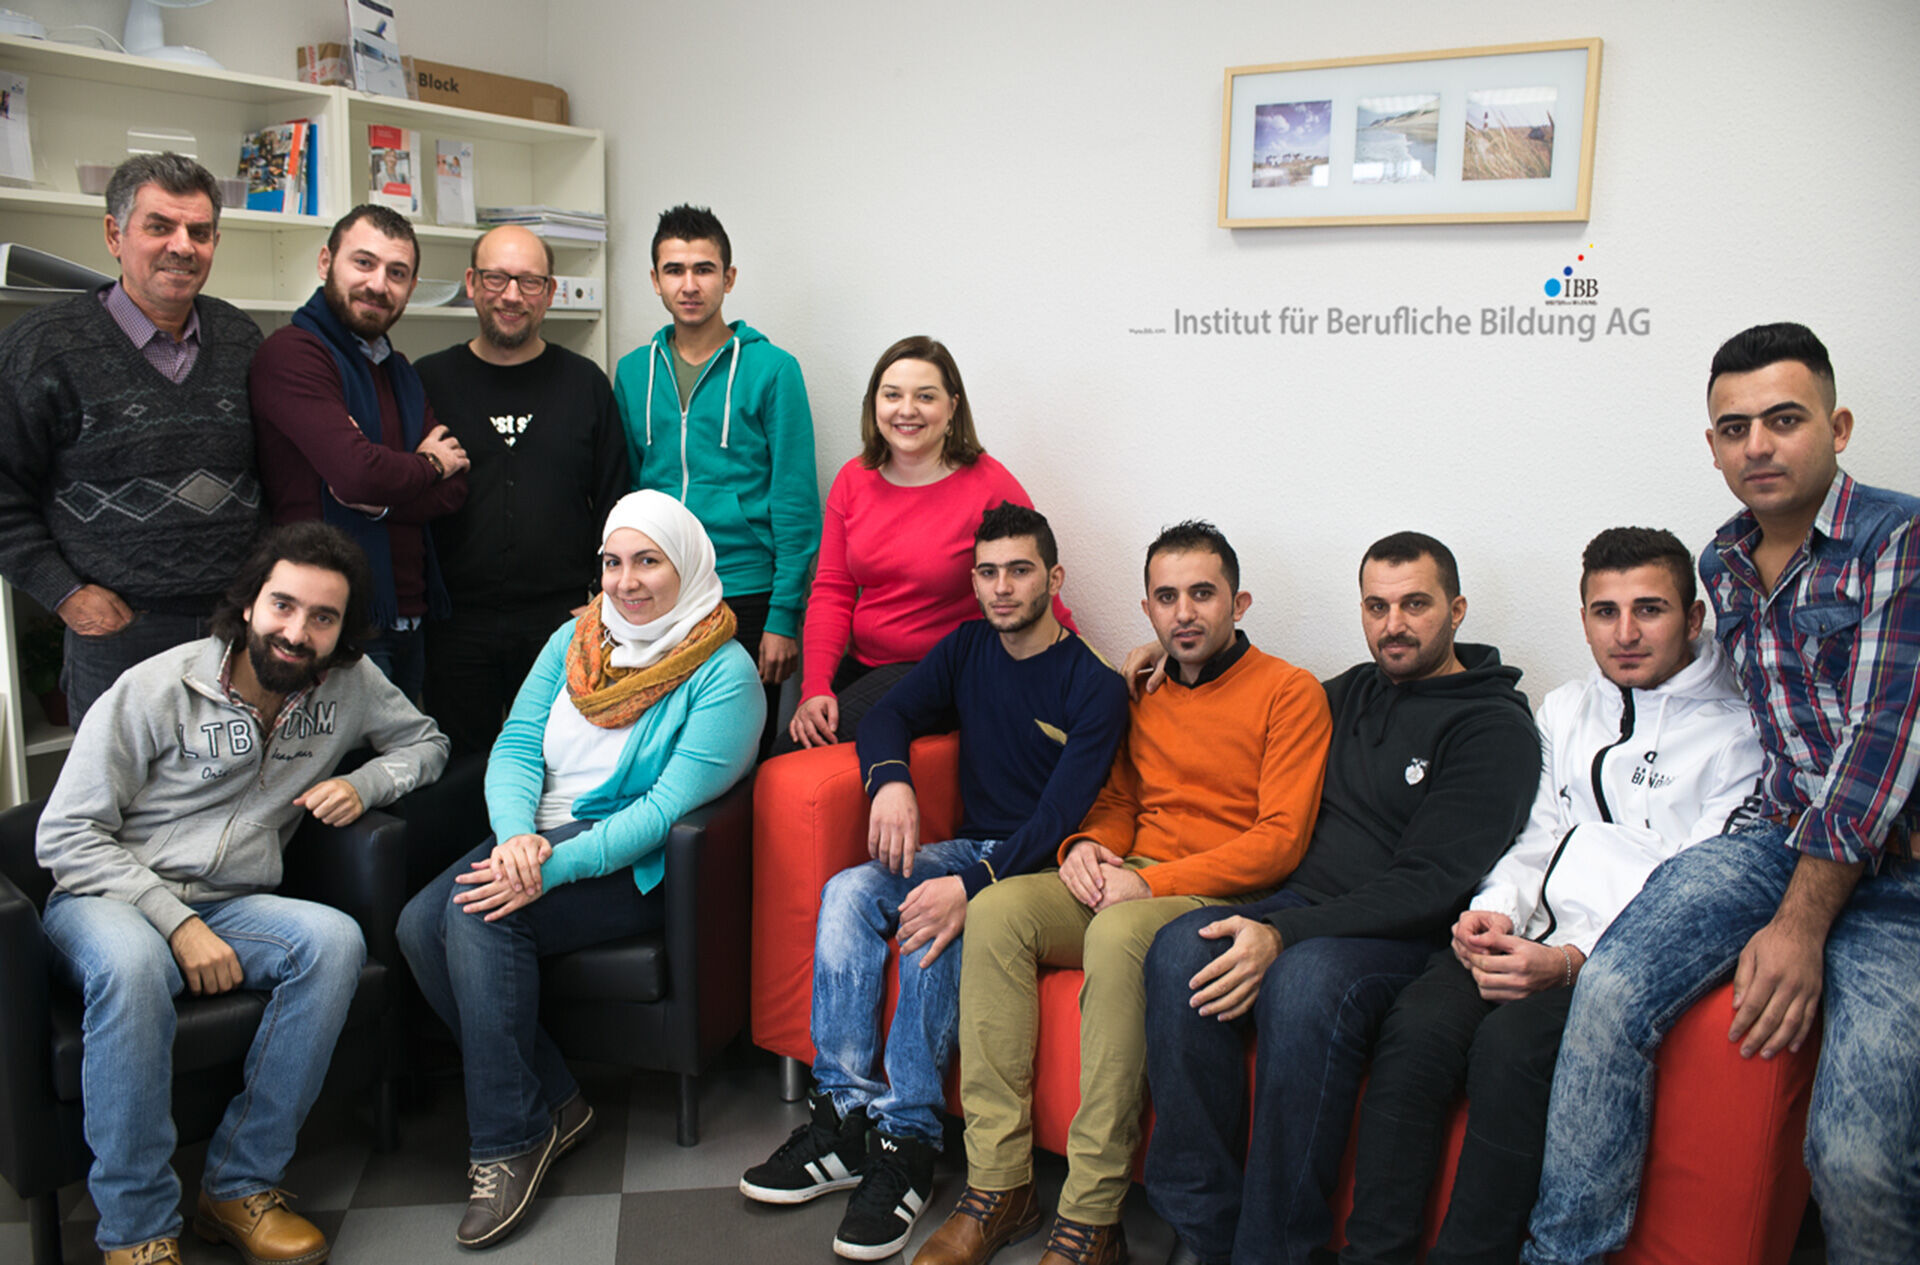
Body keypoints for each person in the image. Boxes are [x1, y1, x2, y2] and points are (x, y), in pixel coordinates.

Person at [1523, 324, 1920, 1265]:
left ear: (1838, 427)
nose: (1758, 445)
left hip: (1899, 869)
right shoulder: (1724, 564)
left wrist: (1798, 927)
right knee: (1611, 990)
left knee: (1857, 1157)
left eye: (1784, 419)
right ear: (1713, 446)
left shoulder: (1899, 540)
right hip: (1772, 837)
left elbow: (1878, 746)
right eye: (1735, 428)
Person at [1337, 526, 1764, 1265]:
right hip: (1528, 934)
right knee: (1417, 1030)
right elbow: (1536, 833)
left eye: (1649, 609)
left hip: (1624, 962)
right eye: (1605, 612)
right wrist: (1494, 911)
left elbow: (1698, 891)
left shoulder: (1741, 732)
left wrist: (1571, 961)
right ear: (1584, 618)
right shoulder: (1566, 709)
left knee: (1510, 1050)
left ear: (1693, 618)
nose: (1625, 634)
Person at [913, 521, 1333, 1265]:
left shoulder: (1289, 692)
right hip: (1131, 872)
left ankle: (1092, 1215)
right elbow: (1117, 800)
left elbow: (1280, 841)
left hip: (1216, 891)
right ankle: (999, 1186)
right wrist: (1086, 847)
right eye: (1166, 597)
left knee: (1115, 931)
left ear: (1239, 603)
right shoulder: (1144, 689)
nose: (1184, 613)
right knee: (998, 909)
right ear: (1146, 609)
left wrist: (1147, 882)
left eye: (1202, 594)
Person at [35, 522, 449, 1265]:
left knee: (334, 942)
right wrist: (175, 923)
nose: (297, 631)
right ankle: (136, 1229)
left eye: (322, 617)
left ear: (341, 631)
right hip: (109, 896)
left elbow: (427, 742)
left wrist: (364, 783)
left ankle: (238, 1184)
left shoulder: (350, 684)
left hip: (231, 900)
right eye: (283, 606)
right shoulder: (157, 687)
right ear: (251, 603)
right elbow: (66, 835)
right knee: (133, 965)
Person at [740, 502, 1128, 1261]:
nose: (1001, 588)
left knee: (932, 913)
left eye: (1019, 571)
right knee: (850, 891)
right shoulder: (967, 647)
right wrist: (891, 781)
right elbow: (889, 715)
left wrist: (972, 885)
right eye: (987, 572)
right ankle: (841, 1117)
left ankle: (907, 1142)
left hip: (1038, 867)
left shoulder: (1094, 684)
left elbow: (1057, 817)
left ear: (1053, 579)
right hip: (967, 849)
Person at [1142, 531, 1540, 1265]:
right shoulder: (1350, 691)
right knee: (1176, 950)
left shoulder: (1494, 728)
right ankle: (1204, 1231)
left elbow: (1430, 885)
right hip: (1304, 904)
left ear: (1456, 611)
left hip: (1404, 939)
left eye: (1415, 604)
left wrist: (1284, 935)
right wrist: (1175, 661)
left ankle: (1274, 1251)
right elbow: (1248, 706)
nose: (1394, 625)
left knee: (1304, 981)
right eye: (1377, 606)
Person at [397, 489, 764, 1250]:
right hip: (534, 837)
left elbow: (662, 812)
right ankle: (557, 1101)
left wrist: (550, 866)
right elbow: (516, 743)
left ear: (687, 564)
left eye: (648, 561)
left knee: (475, 916)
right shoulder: (577, 637)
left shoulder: (724, 673)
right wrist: (513, 839)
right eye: (612, 562)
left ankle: (509, 1142)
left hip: (631, 861)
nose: (626, 581)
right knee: (415, 924)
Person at [0, 152, 263, 726]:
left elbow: (272, 474)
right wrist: (64, 593)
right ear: (114, 235)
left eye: (199, 232)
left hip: (235, 627)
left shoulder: (241, 339)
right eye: (159, 226)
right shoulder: (42, 349)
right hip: (118, 635)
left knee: (241, 776)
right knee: (117, 785)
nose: (182, 246)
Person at [786, 335, 1074, 751]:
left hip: (947, 671)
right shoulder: (852, 479)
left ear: (952, 406)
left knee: (796, 754)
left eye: (925, 396)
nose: (907, 410)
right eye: (892, 395)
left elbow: (1038, 584)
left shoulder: (989, 484)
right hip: (865, 665)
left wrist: (1077, 670)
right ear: (874, 404)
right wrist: (815, 686)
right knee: (793, 747)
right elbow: (833, 590)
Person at [414, 224, 627, 755]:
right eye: (497, 278)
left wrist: (603, 601)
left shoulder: (585, 383)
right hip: (454, 626)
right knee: (459, 770)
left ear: (550, 293)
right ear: (471, 283)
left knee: (559, 762)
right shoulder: (428, 381)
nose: (512, 295)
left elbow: (615, 500)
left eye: (530, 282)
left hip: (561, 623)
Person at [614, 204, 818, 748]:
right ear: (655, 280)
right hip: (658, 591)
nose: (689, 284)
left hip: (744, 590)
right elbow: (629, 491)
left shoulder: (773, 369)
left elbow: (795, 500)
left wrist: (783, 616)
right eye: (674, 270)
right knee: (657, 745)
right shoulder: (633, 372)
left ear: (728, 278)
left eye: (703, 269)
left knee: (736, 752)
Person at [250, 204, 471, 699]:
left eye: (397, 273)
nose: (378, 284)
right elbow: (359, 475)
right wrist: (427, 464)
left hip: (410, 615)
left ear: (411, 287)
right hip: (332, 625)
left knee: (406, 752)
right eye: (364, 263)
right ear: (325, 261)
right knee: (340, 755)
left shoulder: (400, 370)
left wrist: (383, 495)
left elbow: (454, 488)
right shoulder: (293, 354)